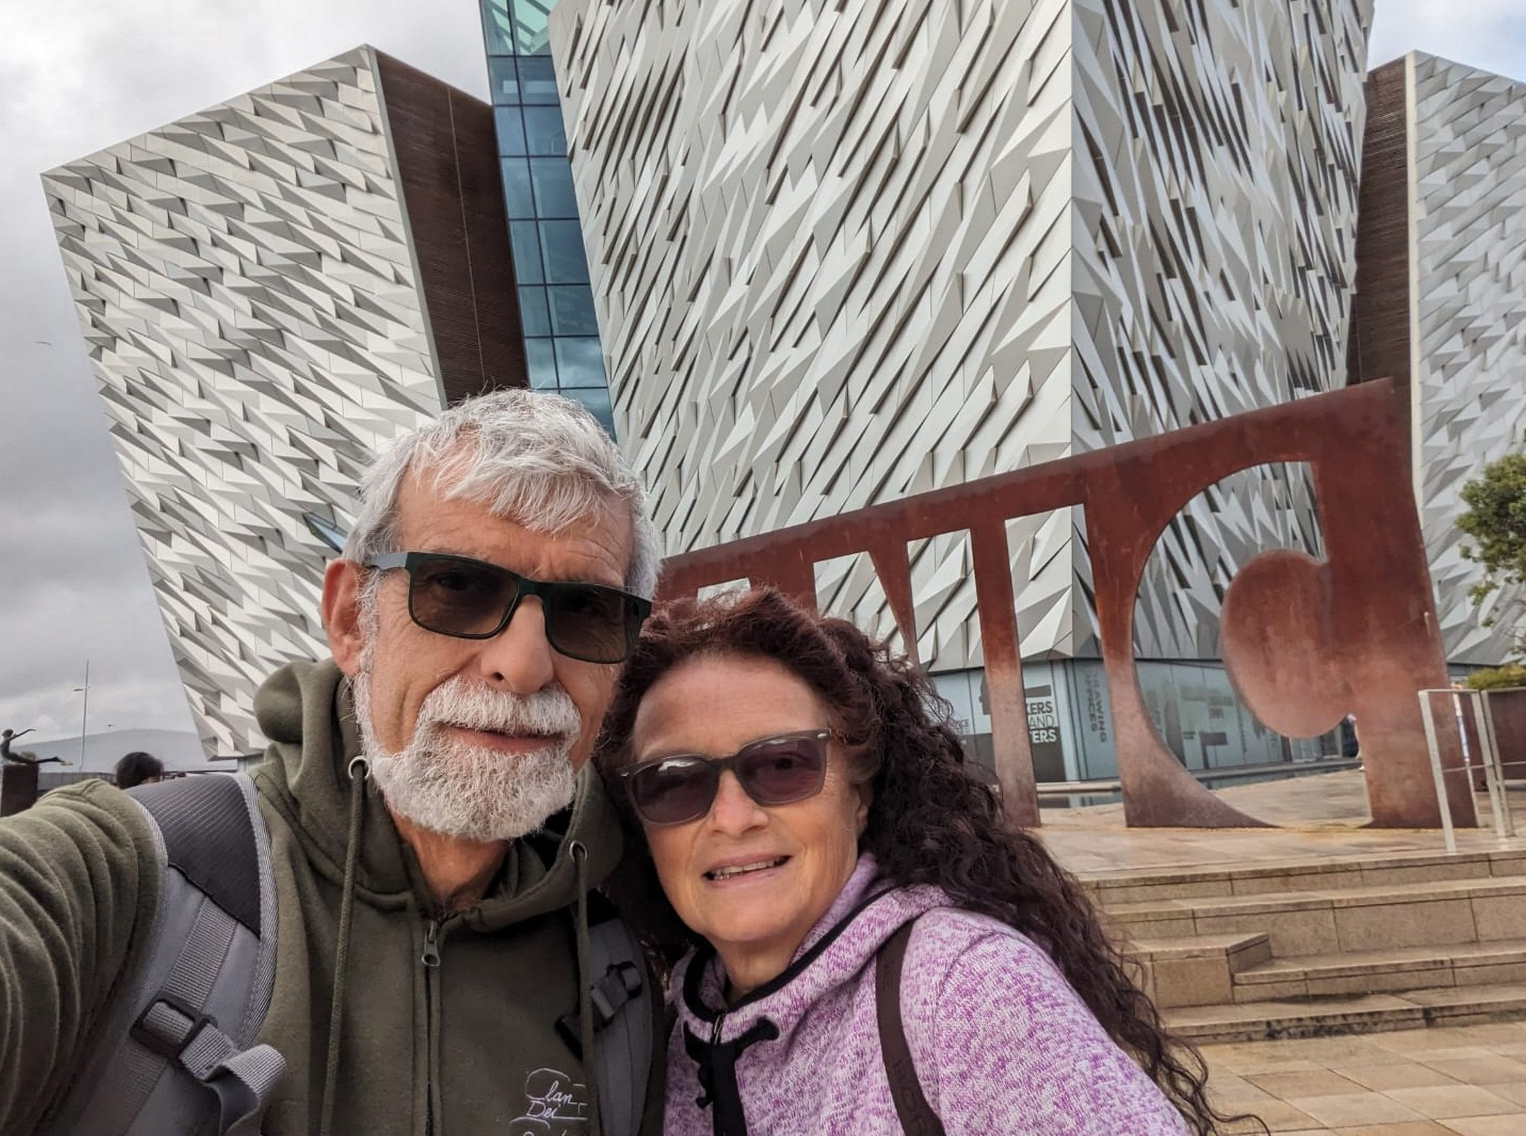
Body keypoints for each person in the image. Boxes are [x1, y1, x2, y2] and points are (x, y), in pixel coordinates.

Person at [0, 389, 665, 1136]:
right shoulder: (131, 880)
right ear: (352, 619)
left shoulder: (624, 971)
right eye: (458, 586)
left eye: (585, 609)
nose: (525, 664)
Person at [598, 589, 1249, 1136]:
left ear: (859, 793)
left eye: (783, 764)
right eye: (674, 781)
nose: (733, 815)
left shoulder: (966, 992)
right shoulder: (658, 1031)